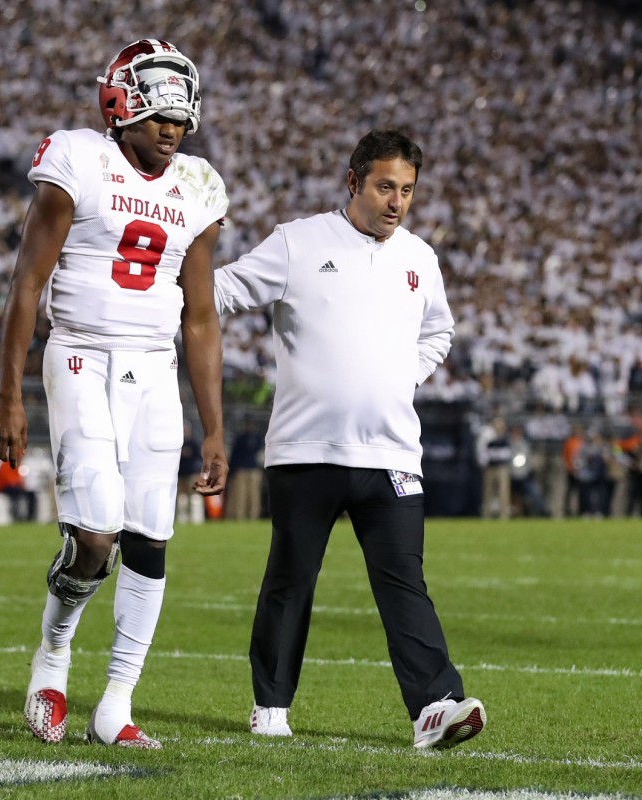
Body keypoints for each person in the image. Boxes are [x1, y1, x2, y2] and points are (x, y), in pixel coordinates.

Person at [0, 39, 229, 749]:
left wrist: (213, 427)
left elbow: (202, 315)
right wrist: (10, 392)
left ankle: (115, 705)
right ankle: (53, 656)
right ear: (122, 102)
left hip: (155, 370)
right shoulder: (77, 160)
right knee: (94, 536)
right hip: (81, 356)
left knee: (152, 533)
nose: (171, 127)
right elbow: (26, 285)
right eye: (159, 113)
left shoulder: (200, 186)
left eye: (181, 118)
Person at [213, 130, 485, 749]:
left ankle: (434, 707)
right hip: (306, 449)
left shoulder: (419, 257)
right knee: (291, 577)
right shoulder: (298, 241)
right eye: (386, 186)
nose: (397, 202)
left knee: (403, 579)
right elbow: (223, 292)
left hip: (391, 451)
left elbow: (438, 334)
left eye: (408, 190)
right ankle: (271, 706)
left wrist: (400, 377)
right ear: (353, 181)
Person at [226, 417, 264, 520]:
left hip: (253, 469)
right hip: (242, 469)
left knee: (253, 495)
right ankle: (240, 515)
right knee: (240, 495)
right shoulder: (240, 438)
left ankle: (253, 515)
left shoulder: (257, 438)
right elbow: (234, 455)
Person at [476, 415, 511, 519]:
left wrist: (495, 454)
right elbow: (484, 454)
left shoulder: (505, 439)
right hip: (490, 468)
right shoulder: (488, 439)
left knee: (503, 492)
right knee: (488, 492)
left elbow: (506, 454)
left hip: (502, 468)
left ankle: (504, 514)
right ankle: (487, 514)